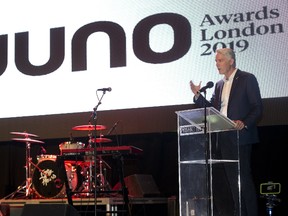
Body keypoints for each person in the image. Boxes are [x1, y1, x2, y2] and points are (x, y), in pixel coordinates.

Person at [190, 48, 263, 216]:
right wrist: (197, 95)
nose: (217, 64)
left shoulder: (247, 78)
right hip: (223, 137)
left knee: (243, 179)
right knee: (232, 182)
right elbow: (213, 110)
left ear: (231, 61)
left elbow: (257, 107)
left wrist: (244, 123)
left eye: (220, 60)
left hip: (240, 136)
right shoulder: (219, 84)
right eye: (216, 61)